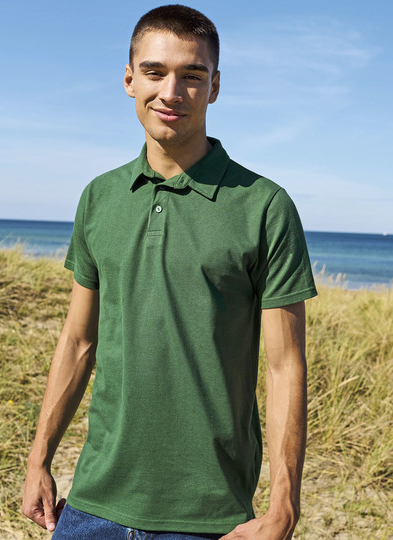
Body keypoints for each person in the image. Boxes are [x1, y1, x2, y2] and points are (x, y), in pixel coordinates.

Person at [21, 5, 317, 539]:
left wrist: (284, 509)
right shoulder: (99, 197)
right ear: (129, 80)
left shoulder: (265, 206)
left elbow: (284, 367)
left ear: (215, 86)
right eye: (154, 72)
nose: (171, 92)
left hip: (209, 515)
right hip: (92, 506)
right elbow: (78, 340)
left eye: (192, 75)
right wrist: (39, 458)